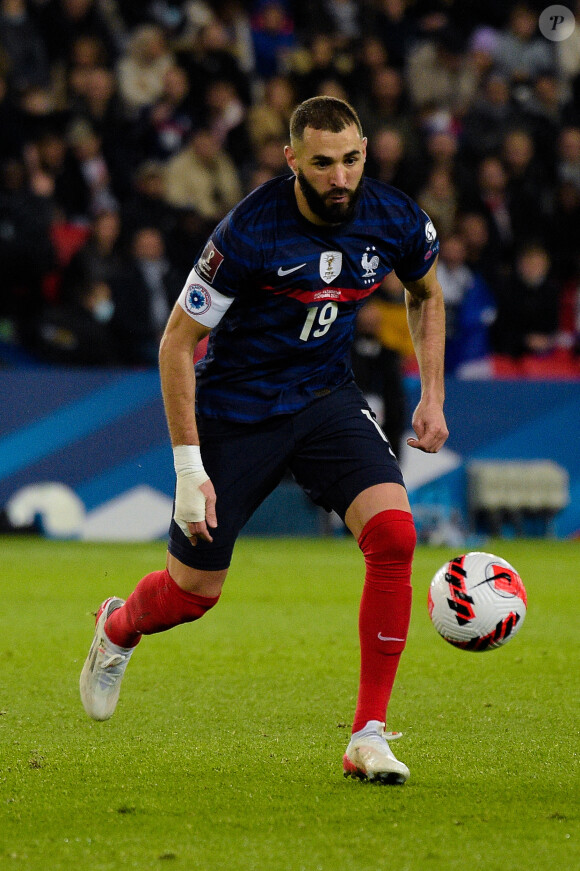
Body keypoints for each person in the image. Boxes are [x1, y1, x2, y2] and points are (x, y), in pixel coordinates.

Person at [80, 96, 448, 784]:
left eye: (351, 159)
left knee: (395, 535)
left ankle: (368, 733)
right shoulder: (248, 231)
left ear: (365, 150)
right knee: (193, 593)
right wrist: (190, 469)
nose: (340, 177)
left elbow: (426, 292)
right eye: (322, 164)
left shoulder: (394, 216)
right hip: (236, 413)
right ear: (292, 161)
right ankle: (119, 624)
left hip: (324, 399)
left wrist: (431, 394)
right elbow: (176, 344)